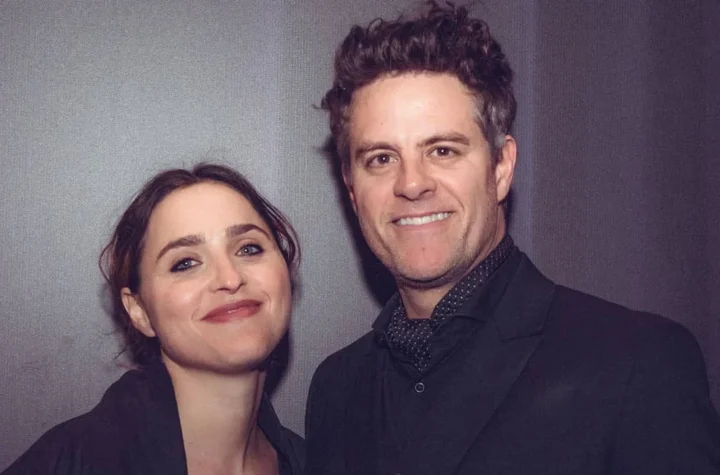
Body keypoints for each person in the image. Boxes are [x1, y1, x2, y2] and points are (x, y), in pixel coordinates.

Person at [305, 3, 720, 474]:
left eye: (442, 150)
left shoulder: (635, 364)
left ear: (501, 167)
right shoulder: (336, 389)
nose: (412, 183)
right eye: (381, 159)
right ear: (352, 189)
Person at [3, 163, 305, 475]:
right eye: (185, 263)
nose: (230, 278)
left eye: (249, 248)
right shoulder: (66, 463)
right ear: (139, 311)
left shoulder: (317, 459)